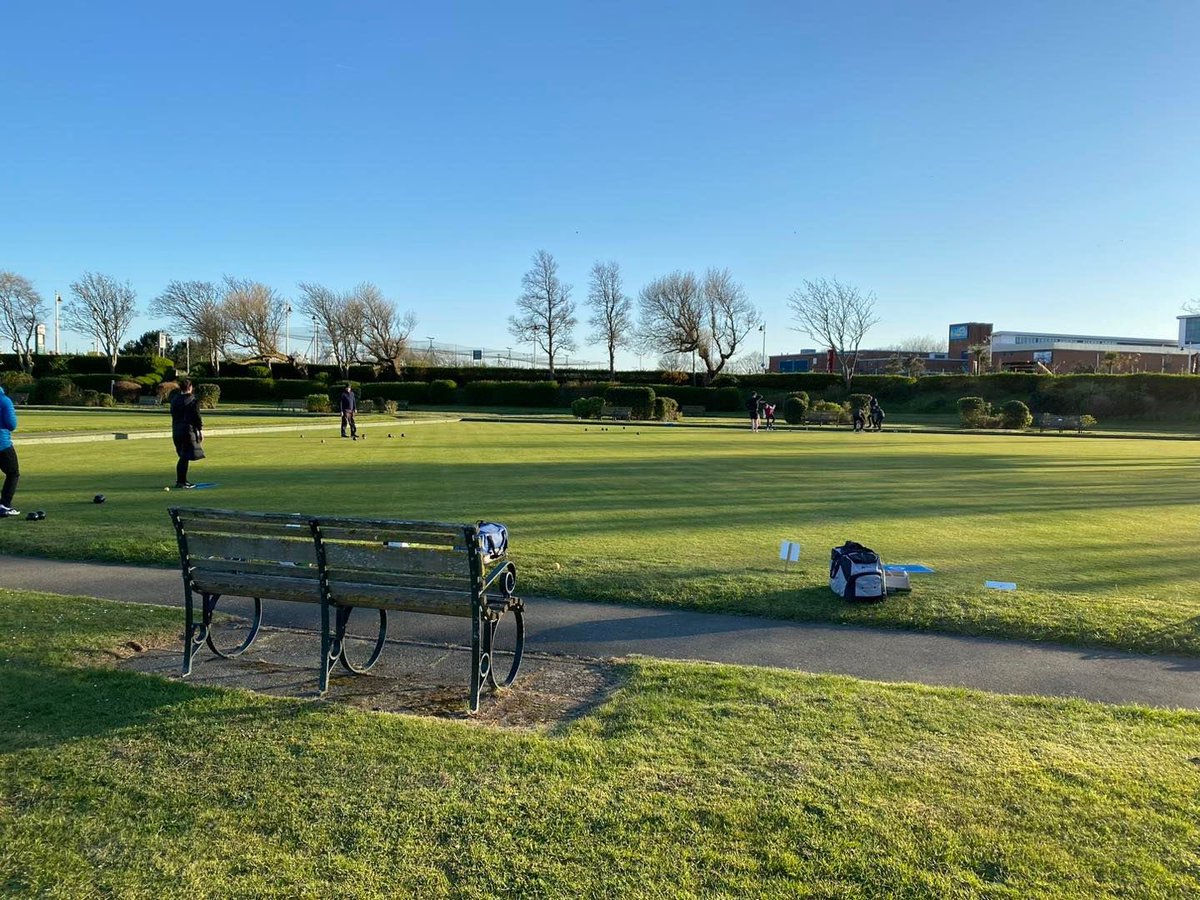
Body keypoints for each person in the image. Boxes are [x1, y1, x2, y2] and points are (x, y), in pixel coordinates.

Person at [170, 379, 204, 489]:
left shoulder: (175, 400)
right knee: (184, 457)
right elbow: (197, 417)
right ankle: (181, 482)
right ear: (190, 387)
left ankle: (182, 480)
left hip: (176, 430)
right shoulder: (193, 400)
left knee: (183, 455)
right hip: (187, 431)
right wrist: (200, 430)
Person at [0, 385, 21, 516]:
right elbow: (11, 424)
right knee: (13, 473)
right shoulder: (4, 400)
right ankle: (5, 505)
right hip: (2, 444)